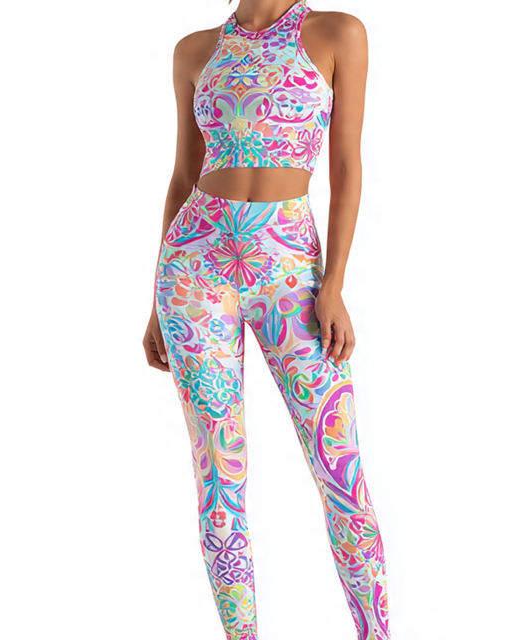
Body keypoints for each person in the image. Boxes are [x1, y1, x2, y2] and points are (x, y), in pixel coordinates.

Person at [142, 1, 390, 638]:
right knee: (218, 476)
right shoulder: (195, 50)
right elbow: (183, 175)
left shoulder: (335, 33)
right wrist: (155, 303)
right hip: (193, 269)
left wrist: (333, 283)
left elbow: (346, 166)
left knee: (340, 471)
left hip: (290, 268)